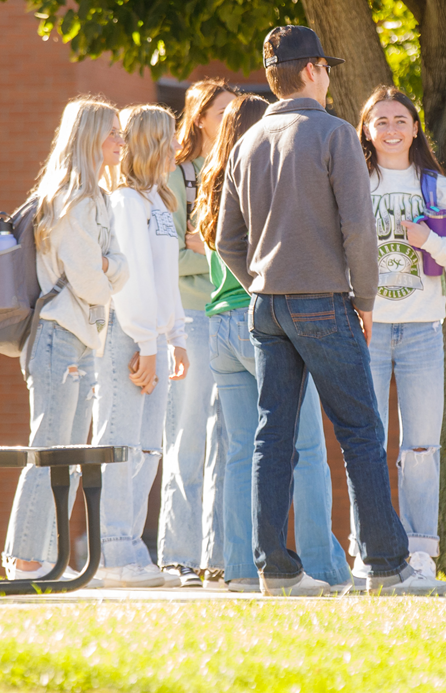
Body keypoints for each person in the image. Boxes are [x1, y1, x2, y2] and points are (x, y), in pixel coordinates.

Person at [216, 25, 446, 597]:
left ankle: (275, 569)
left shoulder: (246, 142)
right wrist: (364, 301)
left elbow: (227, 241)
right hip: (324, 301)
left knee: (273, 436)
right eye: (327, 68)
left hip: (266, 307)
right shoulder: (335, 133)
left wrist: (264, 284)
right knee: (363, 432)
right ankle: (390, 568)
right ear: (315, 69)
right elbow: (357, 228)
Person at [194, 93, 353, 592]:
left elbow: (222, 244)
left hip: (218, 323)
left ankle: (241, 568)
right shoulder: (265, 173)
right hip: (263, 317)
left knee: (244, 453)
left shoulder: (215, 177)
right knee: (305, 448)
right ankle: (322, 567)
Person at [349, 86, 446, 582]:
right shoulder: (354, 180)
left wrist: (432, 241)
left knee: (422, 448)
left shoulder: (437, 188)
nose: (390, 129)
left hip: (423, 330)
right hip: (366, 329)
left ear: (415, 128)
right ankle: (370, 549)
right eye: (380, 120)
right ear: (366, 129)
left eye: (400, 119)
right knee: (367, 444)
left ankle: (420, 552)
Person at [1, 96, 130, 580]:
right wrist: (107, 268)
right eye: (112, 132)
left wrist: (108, 267)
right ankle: (25, 559)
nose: (121, 140)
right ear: (88, 138)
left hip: (83, 337)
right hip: (58, 335)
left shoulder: (97, 198)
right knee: (51, 449)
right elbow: (95, 282)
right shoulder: (71, 200)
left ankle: (48, 559)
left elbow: (119, 267)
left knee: (72, 457)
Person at [92, 104, 190, 588]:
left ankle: (132, 546)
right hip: (128, 337)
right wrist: (149, 343)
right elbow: (130, 282)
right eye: (169, 138)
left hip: (153, 338)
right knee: (121, 444)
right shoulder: (125, 202)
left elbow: (164, 280)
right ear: (150, 142)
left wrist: (176, 337)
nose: (176, 146)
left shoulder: (159, 202)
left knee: (149, 449)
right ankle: (113, 552)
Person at [157, 79, 240, 587]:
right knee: (186, 438)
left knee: (229, 438)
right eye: (222, 110)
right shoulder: (176, 175)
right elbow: (169, 254)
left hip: (235, 314)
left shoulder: (243, 171)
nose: (231, 118)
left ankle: (219, 556)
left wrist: (205, 248)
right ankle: (178, 555)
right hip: (191, 319)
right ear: (200, 116)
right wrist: (213, 254)